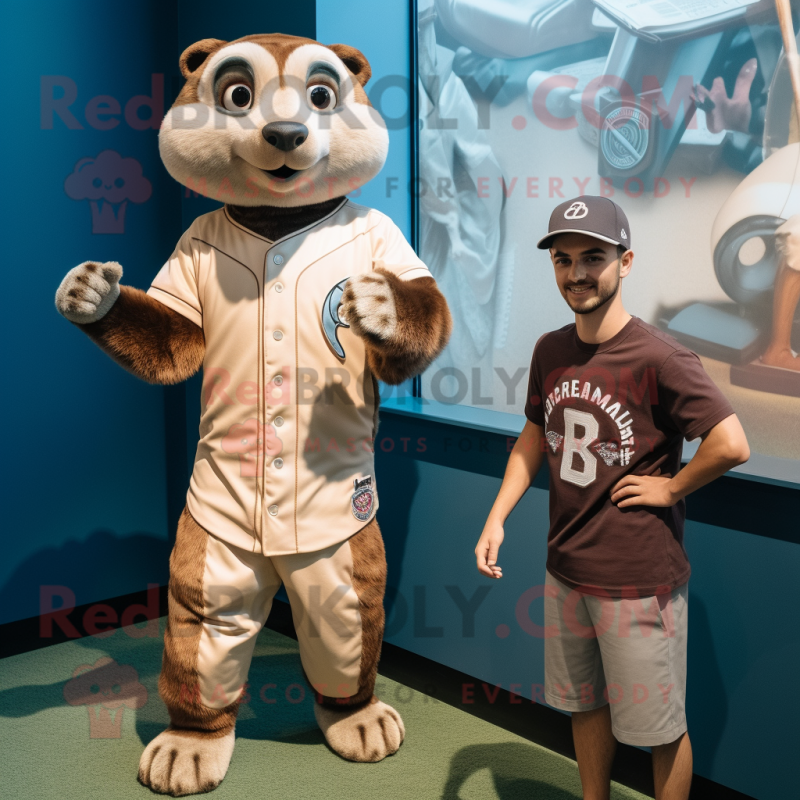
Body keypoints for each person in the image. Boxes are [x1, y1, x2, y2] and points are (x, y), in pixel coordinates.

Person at [475, 196, 750, 800]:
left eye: (593, 258)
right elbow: (532, 434)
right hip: (566, 568)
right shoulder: (551, 350)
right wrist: (498, 514)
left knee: (660, 729)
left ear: (625, 262)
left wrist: (673, 486)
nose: (576, 273)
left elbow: (731, 444)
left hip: (637, 580)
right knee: (583, 705)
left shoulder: (660, 355)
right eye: (564, 259)